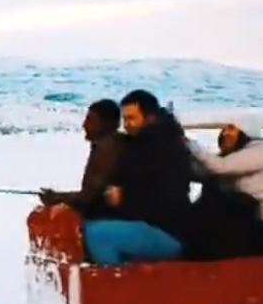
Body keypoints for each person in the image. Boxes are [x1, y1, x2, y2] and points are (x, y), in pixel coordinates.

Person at [83, 89, 193, 265]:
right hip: (147, 224)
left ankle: (115, 287)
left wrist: (124, 198)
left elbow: (165, 198)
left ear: (150, 118)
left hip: (168, 231)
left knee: (98, 235)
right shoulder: (139, 144)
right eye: (125, 119)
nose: (127, 125)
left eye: (132, 118)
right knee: (89, 227)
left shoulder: (166, 148)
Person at [186, 114, 263, 257]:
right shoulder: (232, 160)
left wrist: (191, 145)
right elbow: (197, 172)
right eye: (224, 129)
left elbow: (219, 166)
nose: (225, 133)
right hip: (260, 226)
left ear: (245, 132)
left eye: (231, 129)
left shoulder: (262, 149)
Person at [40, 99, 125, 217]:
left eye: (91, 120)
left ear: (107, 124)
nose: (84, 125)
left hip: (108, 216)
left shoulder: (107, 148)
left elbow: (90, 198)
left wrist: (57, 198)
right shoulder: (112, 143)